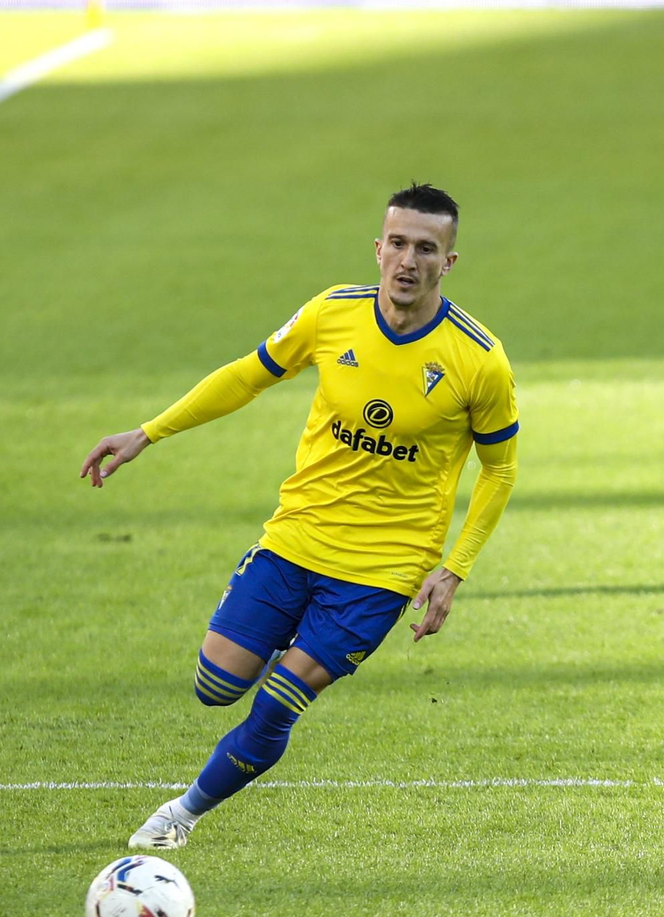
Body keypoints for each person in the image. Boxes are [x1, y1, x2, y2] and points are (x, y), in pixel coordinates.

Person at [79, 183, 517, 850]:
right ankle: (289, 641)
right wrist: (149, 431)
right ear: (377, 248)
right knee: (215, 685)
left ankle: (181, 815)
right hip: (296, 538)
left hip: (382, 569)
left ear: (448, 263)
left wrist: (453, 569)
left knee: (278, 703)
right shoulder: (330, 314)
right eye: (397, 243)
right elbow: (245, 375)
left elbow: (500, 468)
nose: (408, 260)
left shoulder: (478, 358)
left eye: (425, 249)